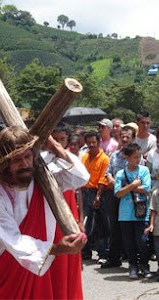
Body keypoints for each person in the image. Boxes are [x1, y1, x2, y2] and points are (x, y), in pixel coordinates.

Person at [0, 126, 88, 299]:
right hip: (2, 271)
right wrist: (58, 249)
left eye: (27, 156)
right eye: (17, 160)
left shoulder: (41, 178)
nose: (25, 164)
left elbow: (80, 177)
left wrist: (55, 146)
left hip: (35, 266)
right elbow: (14, 241)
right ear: (4, 164)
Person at [43, 122, 90, 299]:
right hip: (49, 214)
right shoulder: (40, 158)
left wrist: (80, 219)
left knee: (69, 260)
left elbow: (79, 189)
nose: (58, 143)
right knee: (55, 259)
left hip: (69, 213)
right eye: (54, 139)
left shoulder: (70, 159)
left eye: (62, 139)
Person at [115, 142, 152, 279]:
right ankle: (133, 265)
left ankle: (144, 265)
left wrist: (129, 187)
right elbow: (118, 193)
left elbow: (146, 188)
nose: (138, 160)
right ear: (128, 158)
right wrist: (134, 185)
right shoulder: (120, 173)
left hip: (141, 212)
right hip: (125, 214)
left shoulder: (144, 171)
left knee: (142, 241)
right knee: (129, 242)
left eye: (139, 157)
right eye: (135, 157)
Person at [102, 125, 137, 268]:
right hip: (115, 195)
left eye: (128, 137)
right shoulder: (114, 155)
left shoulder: (136, 157)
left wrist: (124, 186)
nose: (124, 139)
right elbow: (108, 172)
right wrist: (111, 180)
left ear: (133, 139)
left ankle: (134, 260)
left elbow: (138, 174)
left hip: (131, 197)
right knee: (114, 227)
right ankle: (114, 258)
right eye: (122, 136)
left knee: (131, 228)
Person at [81, 131, 110, 262]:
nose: (91, 145)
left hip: (98, 192)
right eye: (89, 142)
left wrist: (98, 196)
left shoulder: (104, 158)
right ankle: (85, 252)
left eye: (94, 142)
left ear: (98, 142)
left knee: (99, 225)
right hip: (85, 192)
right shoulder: (84, 157)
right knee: (85, 224)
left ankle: (102, 253)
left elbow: (103, 180)